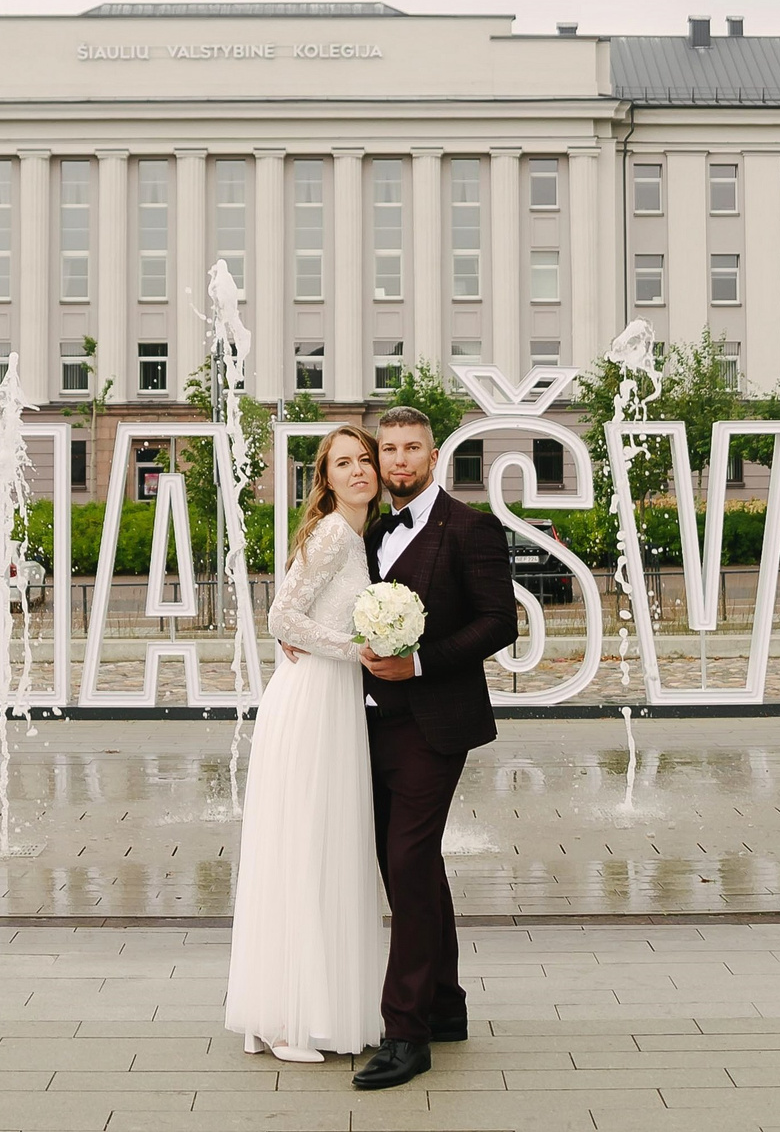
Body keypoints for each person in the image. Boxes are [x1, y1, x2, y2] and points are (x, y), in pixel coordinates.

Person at [351, 405, 519, 1091]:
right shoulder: (363, 530)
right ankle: (445, 1005)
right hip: (364, 724)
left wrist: (419, 664)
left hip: (433, 724)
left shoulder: (470, 527)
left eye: (410, 447)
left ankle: (406, 1032)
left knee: (409, 860)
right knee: (409, 869)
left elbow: (497, 621)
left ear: (433, 453)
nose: (397, 460)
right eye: (387, 448)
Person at [224, 424, 389, 1063]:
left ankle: (300, 1009)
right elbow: (281, 618)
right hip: (311, 700)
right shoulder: (329, 535)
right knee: (303, 848)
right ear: (326, 478)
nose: (359, 471)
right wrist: (357, 652)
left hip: (335, 701)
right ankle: (286, 1019)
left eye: (365, 460)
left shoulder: (357, 536)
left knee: (322, 849)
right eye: (343, 463)